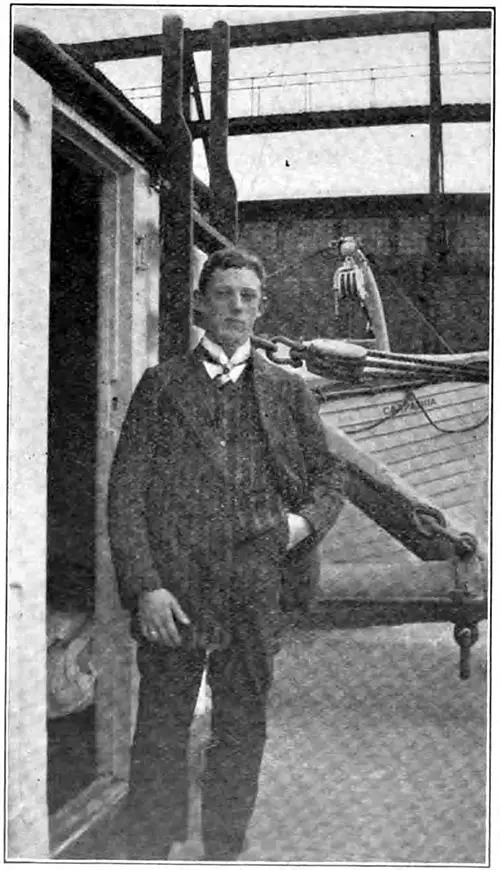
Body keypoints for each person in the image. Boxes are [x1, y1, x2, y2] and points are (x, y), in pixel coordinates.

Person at [108, 246, 346, 861]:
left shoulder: (287, 391)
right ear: (200, 305)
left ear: (260, 308)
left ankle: (222, 851)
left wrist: (299, 526)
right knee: (160, 731)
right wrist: (146, 588)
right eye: (225, 294)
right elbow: (127, 493)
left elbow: (329, 479)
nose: (238, 306)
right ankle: (148, 851)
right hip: (176, 595)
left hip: (255, 590)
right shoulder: (161, 386)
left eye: (249, 297)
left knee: (241, 729)